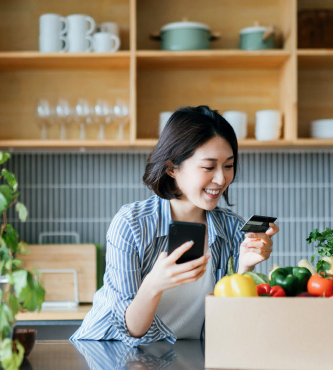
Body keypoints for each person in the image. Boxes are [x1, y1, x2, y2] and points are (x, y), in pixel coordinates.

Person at [70, 105, 279, 347]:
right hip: (110, 352)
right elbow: (132, 330)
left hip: (185, 356)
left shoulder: (233, 230)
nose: (222, 179)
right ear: (172, 168)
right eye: (209, 167)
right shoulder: (131, 224)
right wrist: (154, 284)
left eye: (228, 166)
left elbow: (230, 327)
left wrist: (244, 269)